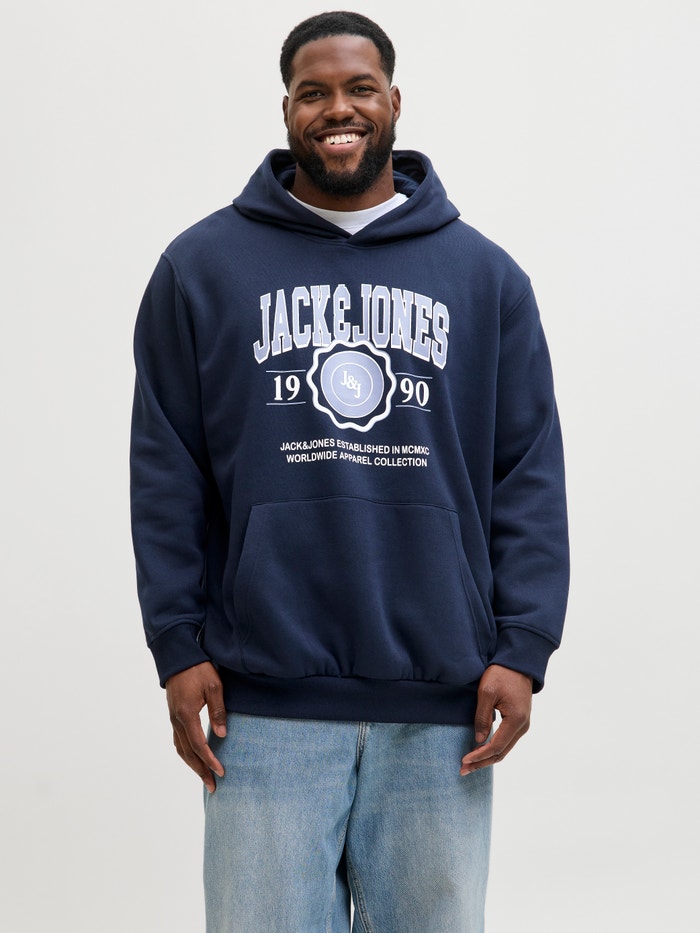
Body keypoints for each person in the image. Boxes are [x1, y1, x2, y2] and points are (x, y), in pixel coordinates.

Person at [130, 11, 569, 932]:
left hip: (441, 706)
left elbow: (526, 469)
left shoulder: (486, 278)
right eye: (314, 91)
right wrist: (176, 642)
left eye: (360, 88)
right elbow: (166, 469)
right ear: (287, 109)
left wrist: (524, 646)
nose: (339, 108)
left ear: (394, 101)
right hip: (262, 704)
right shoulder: (201, 269)